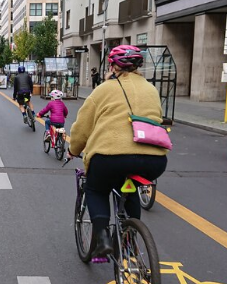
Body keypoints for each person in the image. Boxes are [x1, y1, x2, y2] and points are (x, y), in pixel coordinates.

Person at [67, 45, 168, 258]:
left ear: (113, 66)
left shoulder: (105, 89)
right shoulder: (151, 89)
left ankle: (102, 237)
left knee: (96, 189)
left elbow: (82, 126)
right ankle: (129, 240)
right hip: (154, 161)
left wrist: (74, 149)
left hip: (110, 158)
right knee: (128, 189)